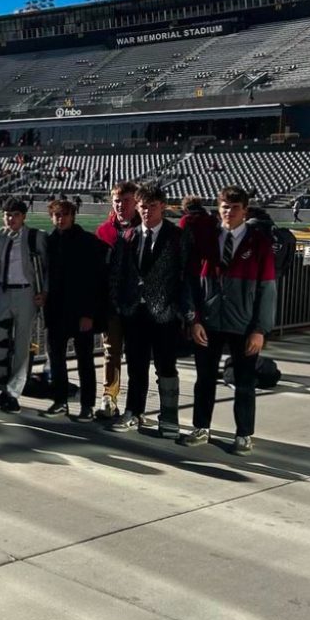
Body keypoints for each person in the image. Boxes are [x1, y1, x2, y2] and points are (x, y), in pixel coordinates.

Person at [181, 186, 277, 455]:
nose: (229, 212)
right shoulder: (205, 239)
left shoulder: (259, 243)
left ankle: (244, 434)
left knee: (245, 383)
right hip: (208, 323)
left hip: (243, 325)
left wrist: (260, 329)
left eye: (235, 207)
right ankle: (201, 427)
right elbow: (191, 283)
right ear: (217, 208)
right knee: (204, 380)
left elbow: (267, 289)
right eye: (224, 206)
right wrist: (194, 319)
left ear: (245, 210)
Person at [107, 184, 187, 435]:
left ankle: (169, 416)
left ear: (163, 206)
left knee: (166, 366)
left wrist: (179, 309)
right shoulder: (128, 236)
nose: (147, 211)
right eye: (143, 206)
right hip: (134, 312)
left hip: (165, 314)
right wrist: (119, 305)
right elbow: (117, 275)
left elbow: (185, 276)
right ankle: (134, 412)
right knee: (136, 366)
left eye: (153, 206)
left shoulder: (177, 236)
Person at [0, 197, 48, 413]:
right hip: (2, 292)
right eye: (8, 215)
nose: (11, 219)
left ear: (23, 217)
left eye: (16, 215)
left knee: (21, 345)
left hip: (26, 293)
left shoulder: (36, 237)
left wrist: (44, 292)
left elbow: (47, 268)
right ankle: (0, 388)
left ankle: (14, 392)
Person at [41, 199, 105, 420]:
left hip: (80, 312)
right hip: (56, 311)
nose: (61, 219)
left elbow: (94, 280)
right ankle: (60, 401)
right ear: (52, 217)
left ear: (73, 216)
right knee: (56, 359)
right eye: (57, 215)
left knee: (85, 360)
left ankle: (87, 405)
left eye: (65, 215)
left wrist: (89, 313)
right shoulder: (49, 242)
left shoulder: (88, 241)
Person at [94, 181, 141, 418]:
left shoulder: (146, 229)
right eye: (116, 200)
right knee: (111, 351)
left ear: (136, 202)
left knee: (136, 354)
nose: (120, 205)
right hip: (111, 302)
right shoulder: (104, 231)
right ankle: (108, 398)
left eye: (125, 200)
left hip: (137, 305)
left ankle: (135, 404)